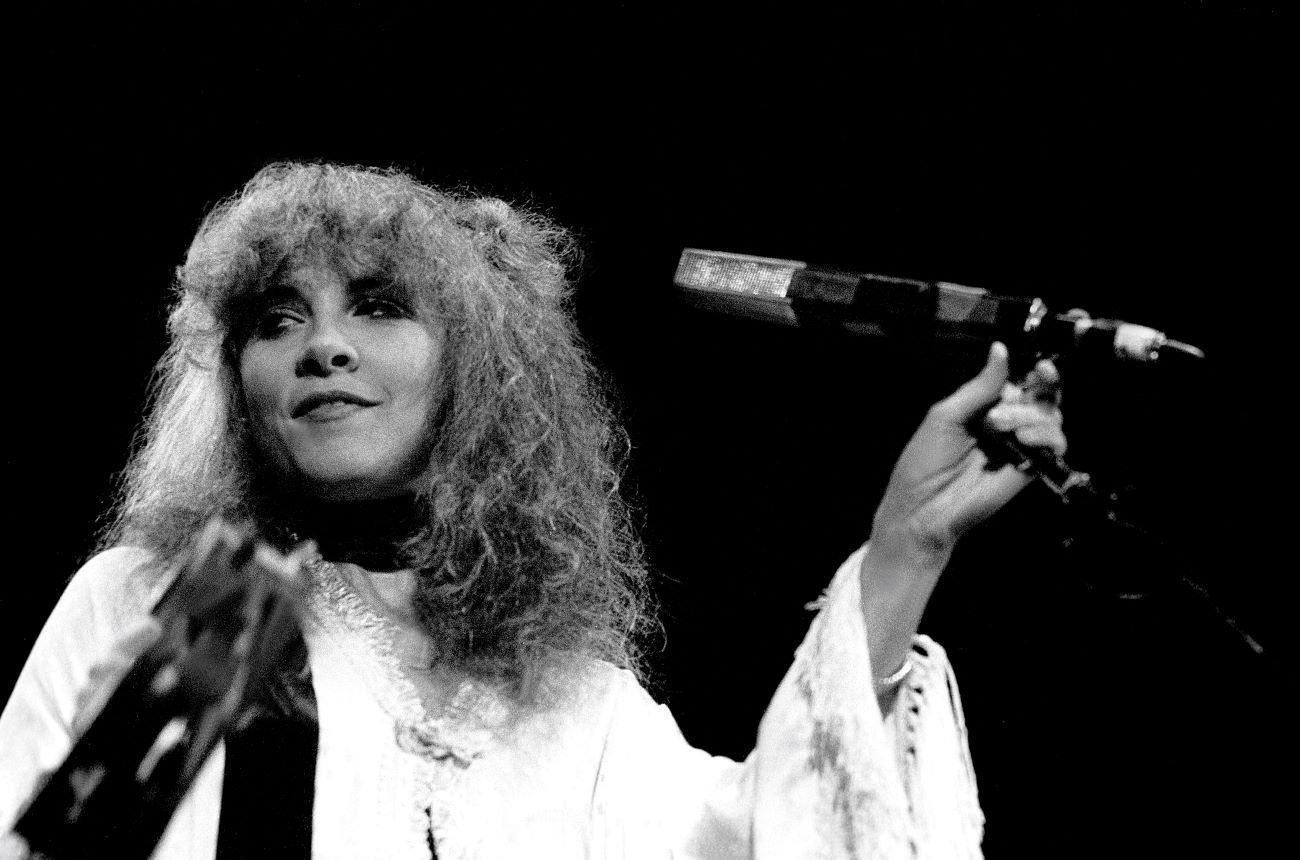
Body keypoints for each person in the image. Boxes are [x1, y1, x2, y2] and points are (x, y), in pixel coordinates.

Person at [0, 162, 1065, 858]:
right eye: (278, 317)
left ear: (477, 376)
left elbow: (768, 834)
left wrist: (904, 547)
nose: (323, 345)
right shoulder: (155, 603)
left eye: (378, 305)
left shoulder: (571, 701)